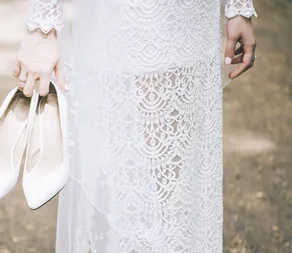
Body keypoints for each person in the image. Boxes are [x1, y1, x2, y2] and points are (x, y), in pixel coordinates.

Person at [13, 0, 257, 252]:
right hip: (126, 15)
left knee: (177, 194)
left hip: (191, 18)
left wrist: (238, 6)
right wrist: (43, 26)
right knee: (121, 183)